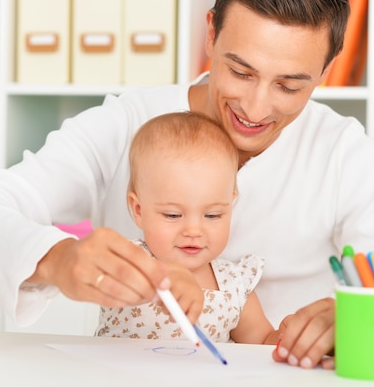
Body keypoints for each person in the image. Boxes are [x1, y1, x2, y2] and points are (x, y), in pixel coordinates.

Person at [0, 0, 374, 370]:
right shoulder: (128, 123)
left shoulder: (342, 151)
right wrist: (56, 259)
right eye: (240, 70)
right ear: (211, 34)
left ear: (326, 71)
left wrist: (369, 319)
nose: (256, 108)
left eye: (290, 85)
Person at [94, 112, 278, 344]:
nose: (193, 230)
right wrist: (160, 277)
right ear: (139, 210)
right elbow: (97, 272)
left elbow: (261, 343)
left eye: (212, 215)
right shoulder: (129, 261)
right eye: (173, 215)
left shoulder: (235, 284)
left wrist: (287, 339)